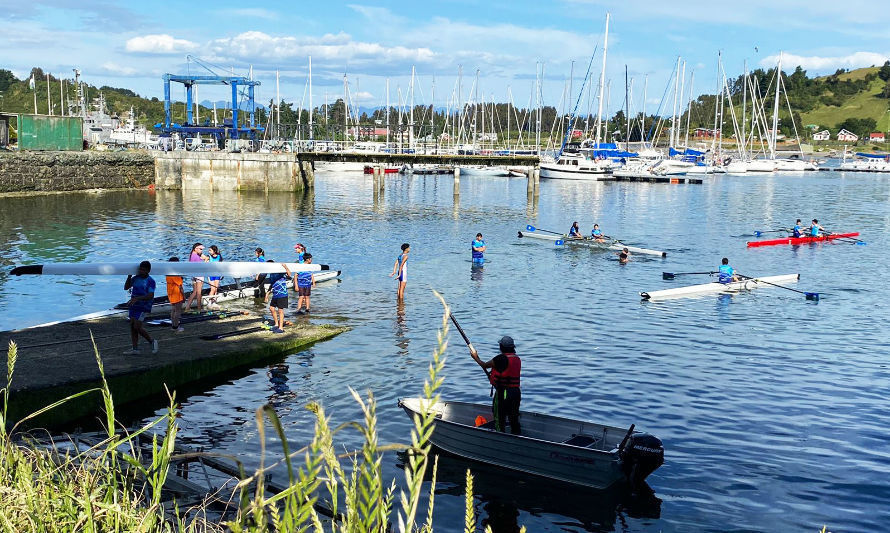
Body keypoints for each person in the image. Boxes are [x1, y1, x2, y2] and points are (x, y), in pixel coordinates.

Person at [469, 336, 521, 435]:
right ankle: (517, 436)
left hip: (504, 393)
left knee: (499, 417)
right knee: (514, 417)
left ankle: (500, 436)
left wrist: (475, 357)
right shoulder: (517, 358)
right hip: (516, 392)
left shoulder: (500, 359)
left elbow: (484, 365)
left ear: (501, 346)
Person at [123, 261, 158, 355]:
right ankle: (135, 349)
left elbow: (150, 295)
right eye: (140, 269)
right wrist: (129, 277)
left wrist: (137, 298)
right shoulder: (136, 278)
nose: (141, 271)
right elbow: (126, 287)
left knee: (137, 326)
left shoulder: (151, 281)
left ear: (148, 270)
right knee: (132, 326)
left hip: (144, 306)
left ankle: (152, 341)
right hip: (134, 305)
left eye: (143, 270)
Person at [264, 260, 292, 333]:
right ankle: (276, 324)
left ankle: (281, 328)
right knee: (271, 308)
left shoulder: (279, 271)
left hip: (282, 294)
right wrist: (267, 295)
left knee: (280, 310)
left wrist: (285, 267)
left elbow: (289, 275)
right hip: (275, 294)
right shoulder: (271, 274)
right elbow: (272, 284)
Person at [184, 243, 208, 311]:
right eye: (200, 249)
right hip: (199, 275)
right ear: (196, 249)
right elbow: (202, 266)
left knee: (194, 292)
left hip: (193, 275)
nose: (201, 251)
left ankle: (187, 308)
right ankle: (199, 309)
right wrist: (206, 260)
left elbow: (202, 256)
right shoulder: (197, 257)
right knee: (199, 293)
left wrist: (203, 256)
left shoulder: (192, 255)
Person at [166, 256, 185, 332]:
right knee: (177, 311)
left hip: (171, 293)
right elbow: (180, 286)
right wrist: (184, 296)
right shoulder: (175, 274)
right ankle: (176, 326)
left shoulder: (168, 273)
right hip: (177, 294)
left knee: (173, 310)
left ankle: (173, 324)